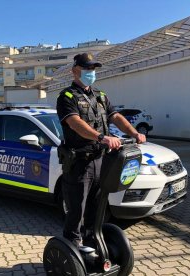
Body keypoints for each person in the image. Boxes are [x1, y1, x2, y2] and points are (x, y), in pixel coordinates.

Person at [56, 53, 146, 248]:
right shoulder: (67, 97)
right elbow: (75, 123)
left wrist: (134, 133)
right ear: (75, 70)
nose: (91, 73)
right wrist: (101, 137)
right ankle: (72, 246)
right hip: (79, 162)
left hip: (101, 160)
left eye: (93, 69)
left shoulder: (101, 96)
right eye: (87, 69)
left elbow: (116, 117)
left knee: (96, 207)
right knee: (76, 209)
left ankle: (91, 241)